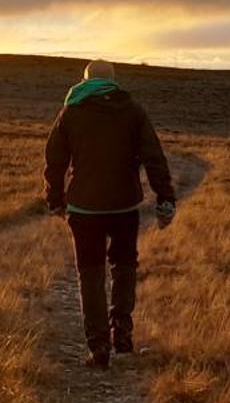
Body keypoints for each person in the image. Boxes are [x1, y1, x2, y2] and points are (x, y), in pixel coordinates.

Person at [43, 60, 177, 367]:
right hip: (125, 205)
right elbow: (153, 156)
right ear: (114, 81)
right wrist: (165, 196)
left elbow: (55, 160)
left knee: (90, 274)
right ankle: (122, 334)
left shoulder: (71, 111)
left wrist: (55, 199)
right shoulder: (133, 110)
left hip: (84, 207)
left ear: (85, 80)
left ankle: (99, 347)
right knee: (124, 266)